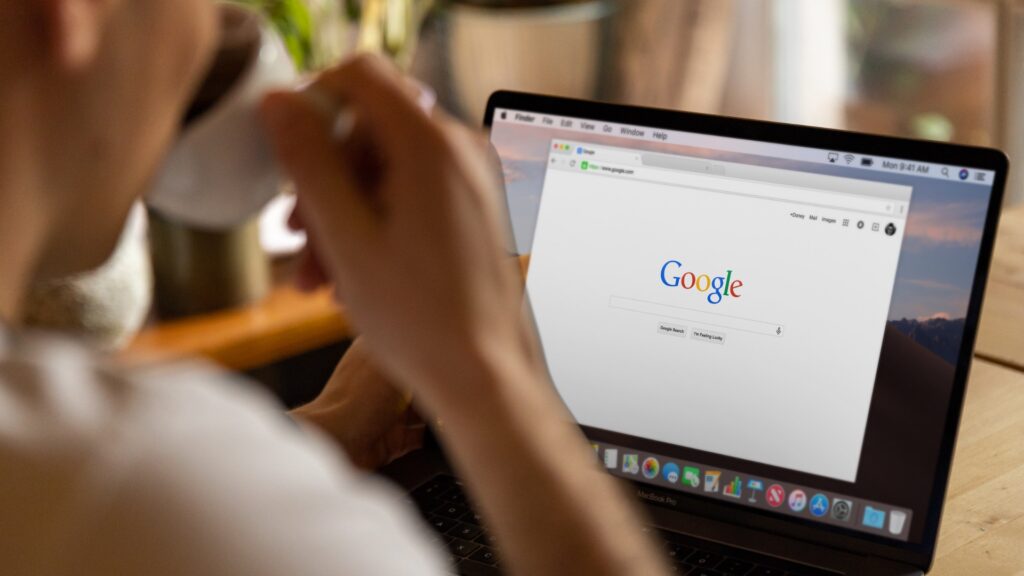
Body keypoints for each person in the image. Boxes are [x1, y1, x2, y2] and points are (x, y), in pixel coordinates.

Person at [0, 1, 669, 575]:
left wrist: (325, 427)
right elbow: (164, 506)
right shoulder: (145, 494)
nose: (213, 33)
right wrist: (486, 374)